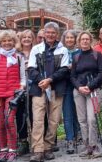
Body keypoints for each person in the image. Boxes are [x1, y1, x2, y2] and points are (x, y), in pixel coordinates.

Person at [27, 22, 70, 162]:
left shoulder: (62, 50)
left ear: (57, 34)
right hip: (39, 88)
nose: (50, 35)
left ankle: (48, 147)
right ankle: (38, 149)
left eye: (53, 33)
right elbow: (31, 68)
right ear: (44, 33)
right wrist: (42, 81)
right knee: (38, 119)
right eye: (48, 32)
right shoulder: (36, 49)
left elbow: (64, 70)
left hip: (56, 88)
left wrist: (50, 80)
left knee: (54, 119)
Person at [0, 30, 27, 161]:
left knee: (9, 120)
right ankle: (3, 149)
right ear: (0, 43)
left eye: (9, 40)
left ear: (14, 41)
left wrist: (20, 90)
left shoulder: (19, 58)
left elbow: (22, 79)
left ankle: (12, 149)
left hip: (12, 94)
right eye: (4, 41)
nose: (7, 43)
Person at [70, 31, 102, 159]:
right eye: (82, 39)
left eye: (87, 39)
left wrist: (89, 87)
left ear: (90, 40)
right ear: (79, 41)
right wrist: (79, 87)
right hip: (79, 91)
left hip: (93, 91)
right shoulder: (76, 57)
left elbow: (101, 73)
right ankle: (86, 146)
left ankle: (94, 146)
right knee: (82, 120)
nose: (84, 41)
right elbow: (72, 76)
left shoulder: (97, 55)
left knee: (91, 119)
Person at [15, 29, 35, 154]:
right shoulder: (16, 53)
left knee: (35, 116)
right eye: (24, 37)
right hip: (19, 88)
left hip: (34, 87)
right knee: (20, 115)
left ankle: (35, 141)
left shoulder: (37, 52)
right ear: (20, 39)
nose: (27, 39)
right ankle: (23, 141)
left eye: (29, 37)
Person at [61, 30, 80, 154]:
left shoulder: (80, 52)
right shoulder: (61, 51)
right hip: (65, 85)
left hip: (78, 84)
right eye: (67, 38)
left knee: (78, 112)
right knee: (67, 113)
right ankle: (69, 140)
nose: (69, 40)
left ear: (75, 39)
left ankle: (78, 135)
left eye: (72, 38)